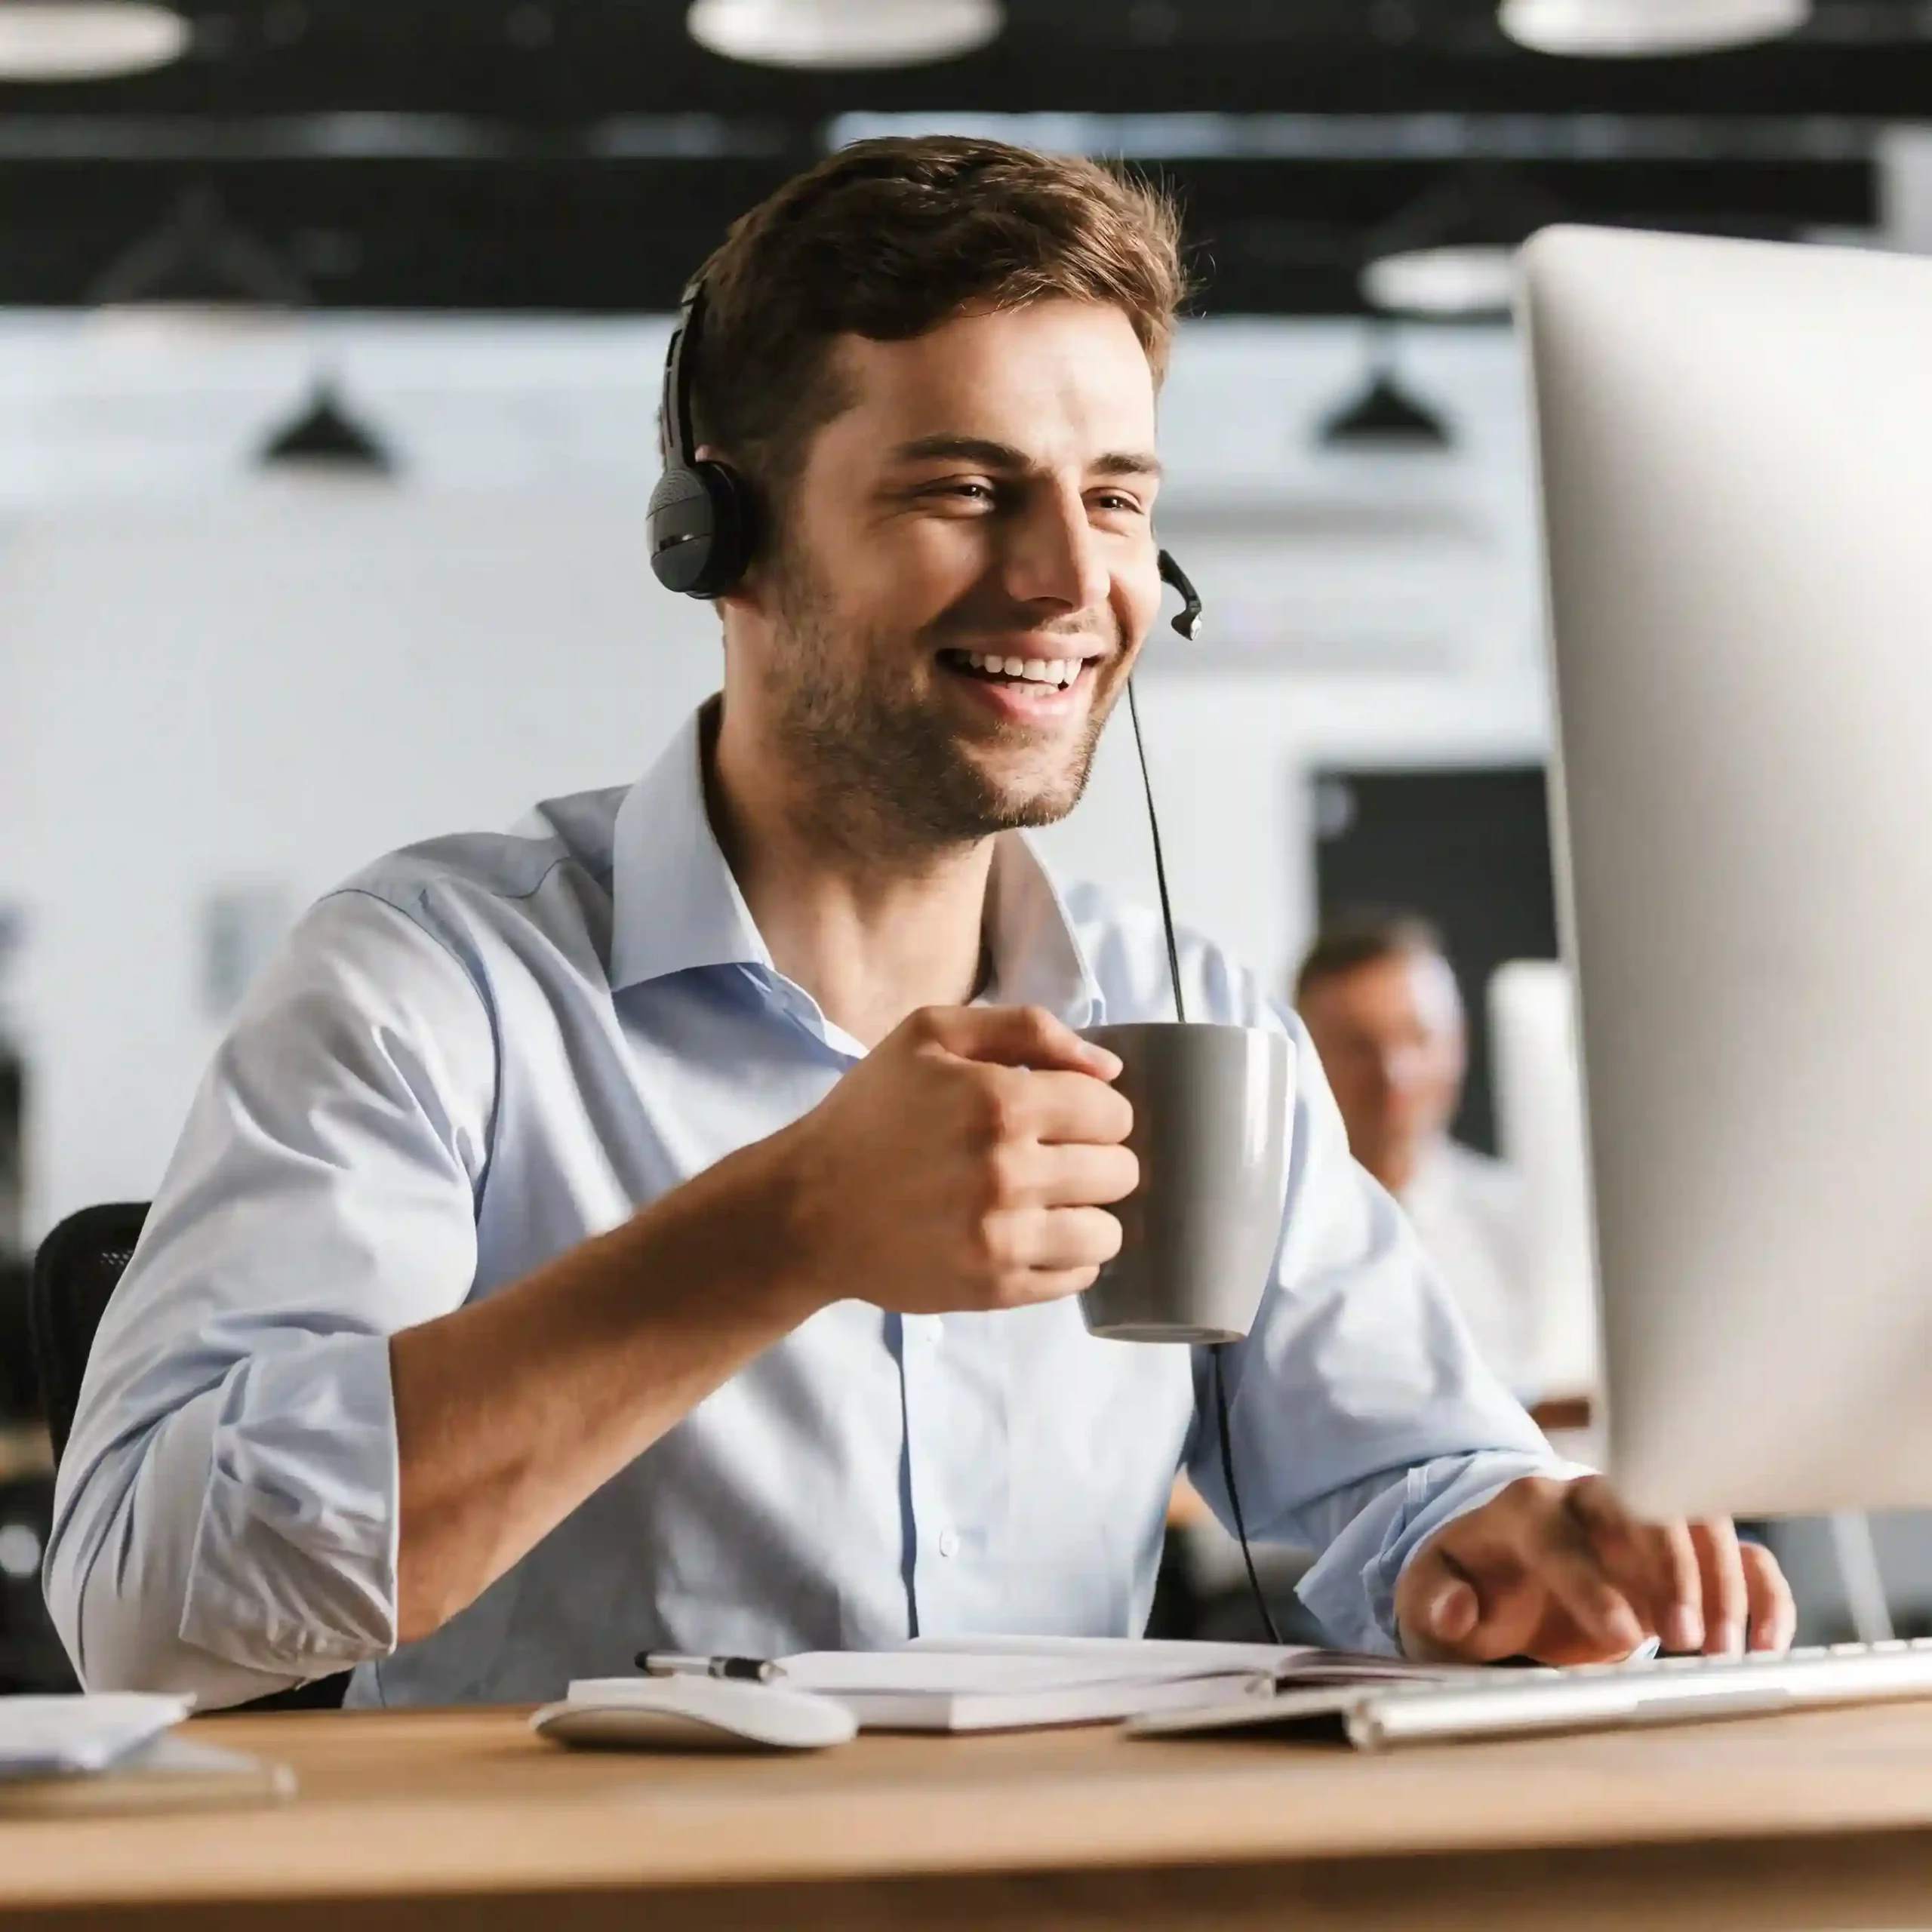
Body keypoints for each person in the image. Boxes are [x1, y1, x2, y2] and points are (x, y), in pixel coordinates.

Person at [45, 138, 1790, 1709]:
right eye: (963, 488)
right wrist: (777, 1226)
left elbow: (1408, 1475)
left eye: (1114, 498)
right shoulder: (431, 982)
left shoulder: (1180, 1013)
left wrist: (1503, 1542)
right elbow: (141, 1604)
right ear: (718, 537)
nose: (1068, 579)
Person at [1294, 913, 1539, 1398]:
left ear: (1459, 1041)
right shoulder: (1272, 1240)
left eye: (1418, 1037)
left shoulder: (1526, 1223)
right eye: (1359, 1047)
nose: (1395, 1075)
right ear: (1305, 1057)